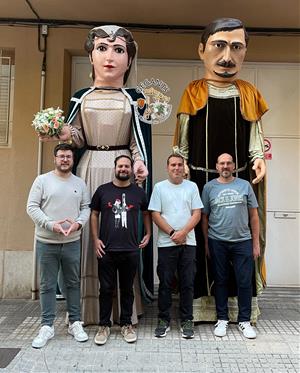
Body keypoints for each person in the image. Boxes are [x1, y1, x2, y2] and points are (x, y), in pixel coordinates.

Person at [39, 25, 153, 325]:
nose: (110, 56)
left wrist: (140, 162)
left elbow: (136, 141)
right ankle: (88, 312)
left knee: (121, 233)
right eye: (102, 48)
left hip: (121, 169)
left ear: (129, 60)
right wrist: (63, 131)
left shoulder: (133, 99)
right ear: (90, 56)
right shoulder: (81, 98)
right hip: (88, 168)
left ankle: (123, 311)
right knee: (92, 236)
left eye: (119, 50)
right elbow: (75, 140)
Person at [173, 18, 268, 322]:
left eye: (236, 47)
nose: (227, 57)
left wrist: (257, 157)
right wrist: (181, 163)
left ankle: (242, 309)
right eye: (219, 46)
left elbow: (256, 135)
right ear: (202, 50)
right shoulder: (193, 91)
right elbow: (182, 138)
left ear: (245, 53)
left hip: (239, 182)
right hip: (200, 181)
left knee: (239, 242)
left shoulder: (249, 93)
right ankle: (203, 305)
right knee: (201, 245)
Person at [27, 143, 90, 348]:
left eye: (68, 156)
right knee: (47, 285)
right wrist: (50, 224)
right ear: (55, 158)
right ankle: (47, 326)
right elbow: (32, 207)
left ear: (73, 159)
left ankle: (75, 322)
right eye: (61, 156)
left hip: (71, 242)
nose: (64, 159)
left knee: (72, 283)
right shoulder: (42, 180)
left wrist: (79, 223)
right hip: (46, 242)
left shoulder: (80, 183)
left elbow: (85, 208)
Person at [90, 155, 151, 344]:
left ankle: (126, 324)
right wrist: (95, 239)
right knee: (106, 289)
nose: (123, 169)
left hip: (131, 249)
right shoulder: (102, 191)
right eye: (120, 166)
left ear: (131, 169)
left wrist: (148, 233)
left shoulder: (138, 193)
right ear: (115, 168)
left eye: (126, 166)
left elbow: (146, 213)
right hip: (106, 250)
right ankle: (103, 326)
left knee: (127, 289)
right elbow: (94, 214)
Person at [201, 153, 260, 338]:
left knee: (244, 282)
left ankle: (244, 321)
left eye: (228, 163)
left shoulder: (245, 185)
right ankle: (222, 319)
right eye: (222, 163)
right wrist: (206, 243)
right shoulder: (209, 187)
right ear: (216, 166)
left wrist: (256, 243)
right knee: (220, 281)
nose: (225, 166)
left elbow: (254, 216)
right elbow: (204, 217)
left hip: (243, 241)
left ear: (234, 166)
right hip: (217, 241)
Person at [148, 154, 202, 339]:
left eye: (180, 165)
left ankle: (187, 319)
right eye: (173, 165)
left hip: (189, 243)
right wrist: (173, 233)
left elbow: (197, 214)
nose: (177, 168)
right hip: (166, 243)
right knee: (165, 283)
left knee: (187, 283)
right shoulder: (159, 187)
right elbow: (155, 214)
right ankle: (164, 319)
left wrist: (183, 232)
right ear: (167, 167)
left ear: (184, 167)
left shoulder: (192, 187)